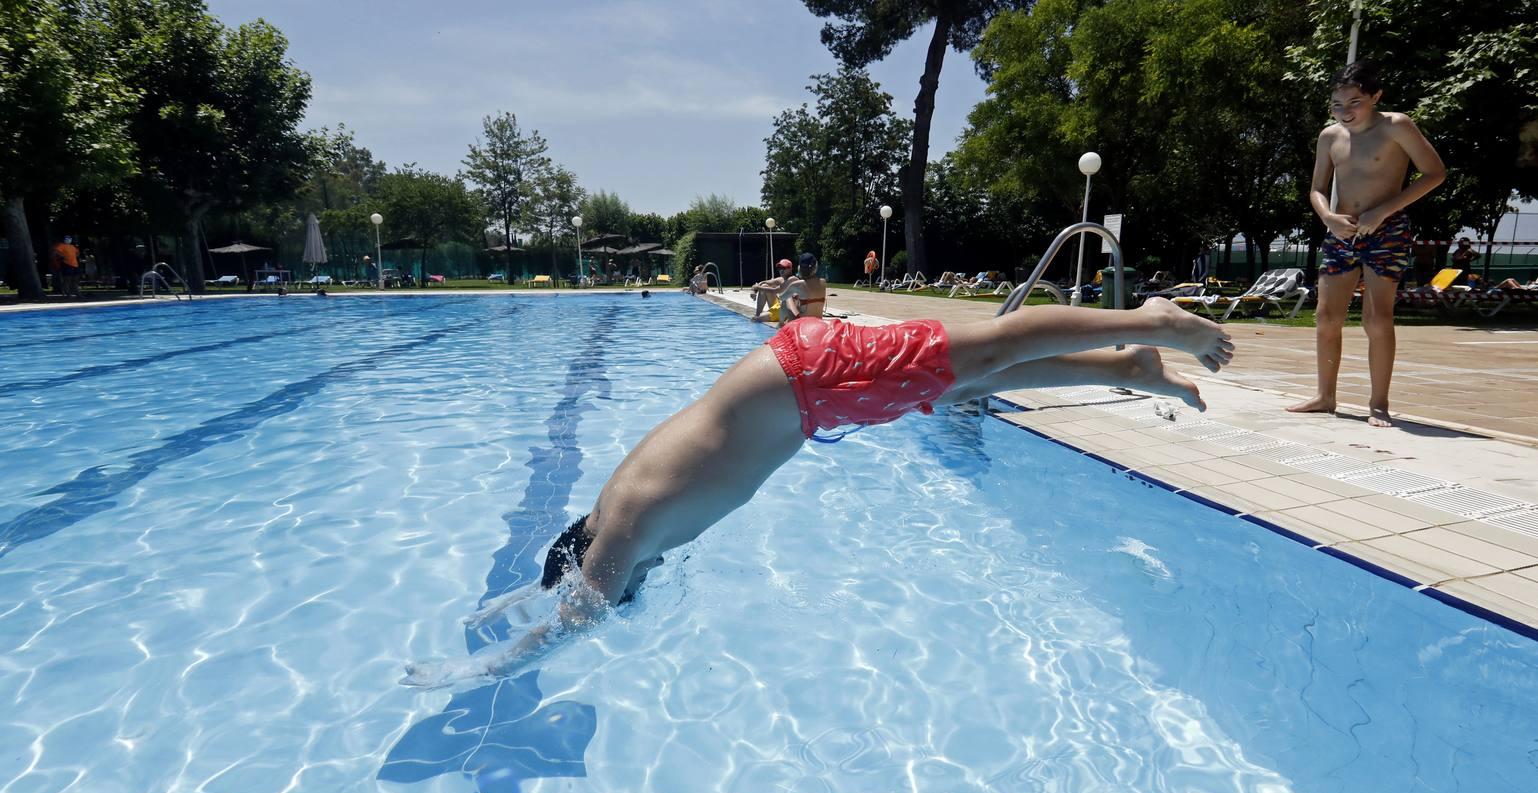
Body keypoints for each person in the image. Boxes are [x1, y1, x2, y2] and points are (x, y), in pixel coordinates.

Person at [400, 297, 1235, 689]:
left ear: (600, 564)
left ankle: (1154, 322)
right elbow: (564, 586)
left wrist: (469, 671)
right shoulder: (608, 516)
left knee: (980, 355)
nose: (618, 590)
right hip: (809, 395)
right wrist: (499, 606)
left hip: (806, 377)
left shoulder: (621, 544)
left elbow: (570, 619)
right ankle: (1127, 367)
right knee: (953, 388)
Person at [1286, 60, 1445, 428]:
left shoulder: (1396, 126)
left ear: (1375, 96)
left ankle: (1378, 404)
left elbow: (1435, 173)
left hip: (1386, 231)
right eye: (1337, 104)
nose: (1345, 112)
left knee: (1377, 319)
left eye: (1354, 102)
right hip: (1341, 231)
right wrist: (1327, 217)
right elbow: (1317, 189)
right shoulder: (1329, 136)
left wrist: (1384, 210)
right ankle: (1326, 397)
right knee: (1326, 317)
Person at [773, 252, 827, 321]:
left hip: (803, 324)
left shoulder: (797, 285)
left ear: (799, 268)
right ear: (816, 267)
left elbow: (781, 297)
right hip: (818, 322)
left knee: (786, 300)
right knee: (795, 300)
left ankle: (780, 325)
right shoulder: (823, 282)